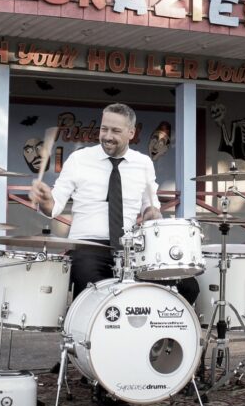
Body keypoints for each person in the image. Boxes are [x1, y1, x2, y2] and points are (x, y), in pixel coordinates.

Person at [30, 103, 199, 304]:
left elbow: (150, 206)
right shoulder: (79, 159)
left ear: (131, 132)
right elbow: (53, 207)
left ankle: (156, 332)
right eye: (104, 129)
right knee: (97, 295)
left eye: (115, 131)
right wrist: (46, 199)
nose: (107, 136)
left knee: (187, 286)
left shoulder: (143, 163)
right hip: (87, 246)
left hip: (130, 248)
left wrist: (152, 214)